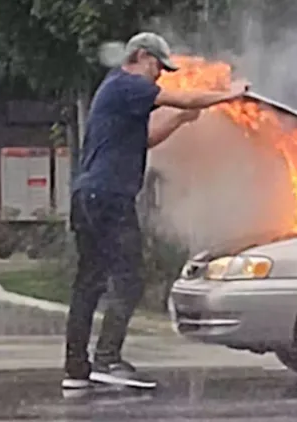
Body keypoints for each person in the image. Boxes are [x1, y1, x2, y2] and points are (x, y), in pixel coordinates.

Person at [62, 32, 250, 390]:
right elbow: (181, 96)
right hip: (109, 198)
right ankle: (107, 359)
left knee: (89, 284)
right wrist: (229, 94)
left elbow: (145, 138)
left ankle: (77, 370)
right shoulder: (127, 84)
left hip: (90, 196)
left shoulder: (117, 92)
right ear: (142, 56)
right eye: (158, 67)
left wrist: (180, 121)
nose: (160, 75)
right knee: (130, 280)